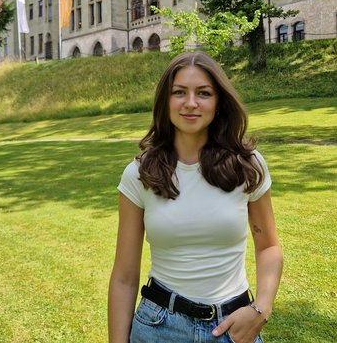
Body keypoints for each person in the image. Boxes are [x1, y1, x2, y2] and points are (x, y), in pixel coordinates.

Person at [108, 51, 283, 343]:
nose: (191, 103)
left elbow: (269, 248)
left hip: (234, 327)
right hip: (158, 328)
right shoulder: (139, 174)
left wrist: (261, 309)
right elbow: (124, 277)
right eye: (179, 92)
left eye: (203, 93)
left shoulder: (247, 166)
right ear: (166, 101)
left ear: (218, 102)